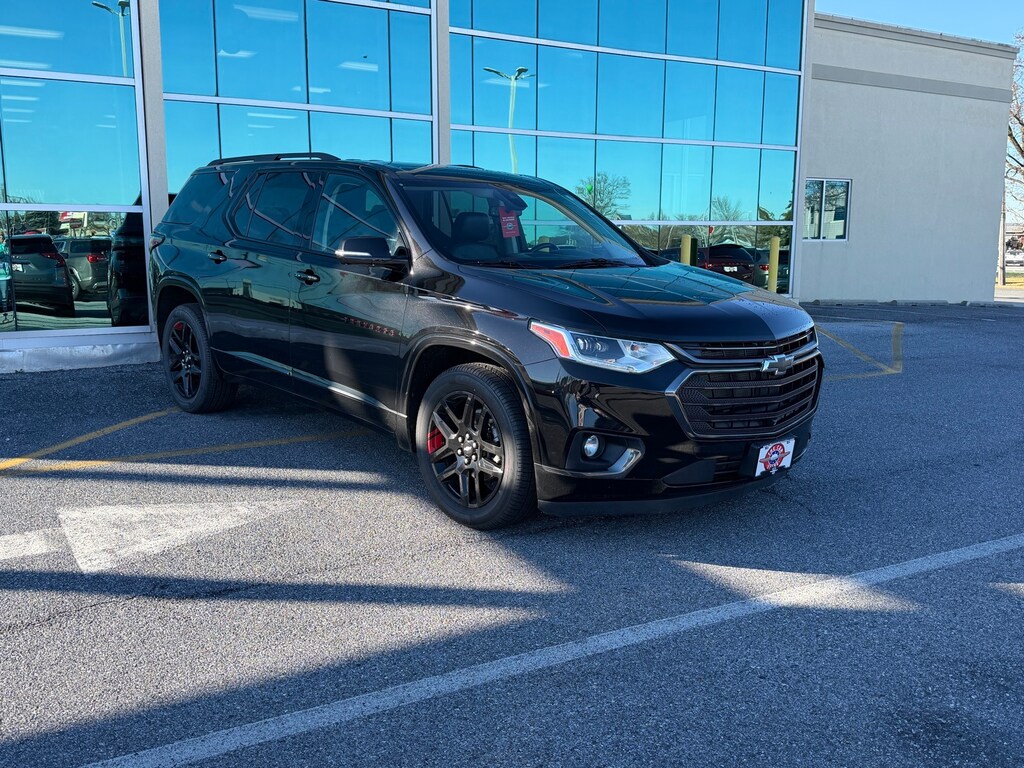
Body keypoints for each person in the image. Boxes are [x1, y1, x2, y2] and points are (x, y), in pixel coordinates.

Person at [0, 232, 12, 326]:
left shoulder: (5, 247)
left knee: (4, 295)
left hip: (4, 275)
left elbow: (6, 257)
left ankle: (5, 313)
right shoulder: (4, 247)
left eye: (0, 236)